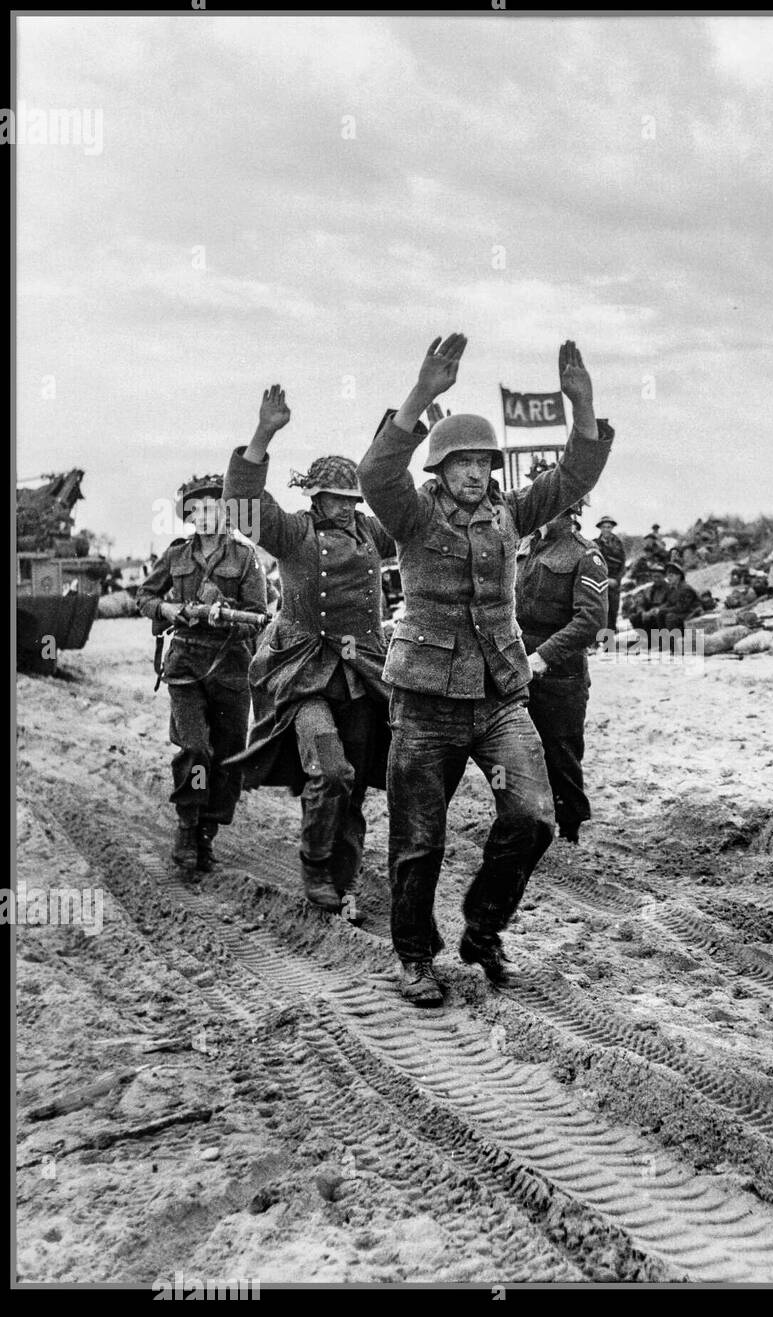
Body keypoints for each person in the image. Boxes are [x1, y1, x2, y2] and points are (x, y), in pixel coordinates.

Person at [358, 333, 614, 1005]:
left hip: (499, 696)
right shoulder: (411, 514)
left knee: (532, 818)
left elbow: (574, 477)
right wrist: (421, 394)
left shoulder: (511, 514)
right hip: (424, 700)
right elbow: (375, 475)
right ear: (440, 467)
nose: (476, 472)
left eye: (484, 461)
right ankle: (413, 957)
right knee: (420, 839)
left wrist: (581, 406)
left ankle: (482, 931)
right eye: (463, 461)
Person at [221, 384, 397, 914]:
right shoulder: (293, 535)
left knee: (357, 783)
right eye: (336, 501)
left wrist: (406, 437)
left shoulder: (372, 533)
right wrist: (264, 433)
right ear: (316, 499)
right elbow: (242, 506)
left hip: (363, 672)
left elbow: (410, 514)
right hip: (302, 674)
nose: (346, 510)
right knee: (331, 771)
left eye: (353, 502)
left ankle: (340, 881)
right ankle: (316, 868)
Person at [136, 474, 268, 871]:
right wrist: (167, 610)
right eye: (200, 509)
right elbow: (145, 596)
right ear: (191, 516)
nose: (208, 515)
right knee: (195, 748)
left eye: (216, 507)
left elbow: (259, 616)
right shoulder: (176, 555)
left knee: (228, 756)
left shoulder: (245, 557)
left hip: (229, 666)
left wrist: (225, 613)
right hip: (186, 663)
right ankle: (188, 825)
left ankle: (208, 831)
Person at [515, 498, 607, 844]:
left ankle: (569, 829)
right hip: (518, 668)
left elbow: (591, 621)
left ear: (568, 511)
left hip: (560, 674)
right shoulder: (525, 548)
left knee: (561, 751)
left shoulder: (585, 555)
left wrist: (544, 656)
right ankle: (529, 822)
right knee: (519, 751)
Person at [593, 515, 625, 633]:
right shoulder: (595, 544)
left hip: (614, 584)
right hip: (600, 582)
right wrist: (603, 579)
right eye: (604, 527)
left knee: (613, 611)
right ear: (600, 528)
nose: (606, 529)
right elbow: (593, 564)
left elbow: (623, 565)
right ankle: (596, 642)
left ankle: (609, 643)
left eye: (609, 527)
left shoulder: (619, 544)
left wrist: (616, 580)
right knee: (599, 611)